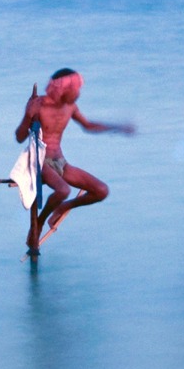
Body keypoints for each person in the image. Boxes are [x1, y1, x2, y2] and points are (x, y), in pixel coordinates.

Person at [15, 68, 135, 255]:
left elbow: (88, 126)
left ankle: (63, 206)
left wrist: (116, 127)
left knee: (101, 191)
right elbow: (19, 136)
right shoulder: (38, 106)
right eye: (74, 89)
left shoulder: (70, 107)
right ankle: (37, 224)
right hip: (40, 162)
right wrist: (29, 115)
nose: (77, 93)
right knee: (63, 189)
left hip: (60, 161)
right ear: (62, 89)